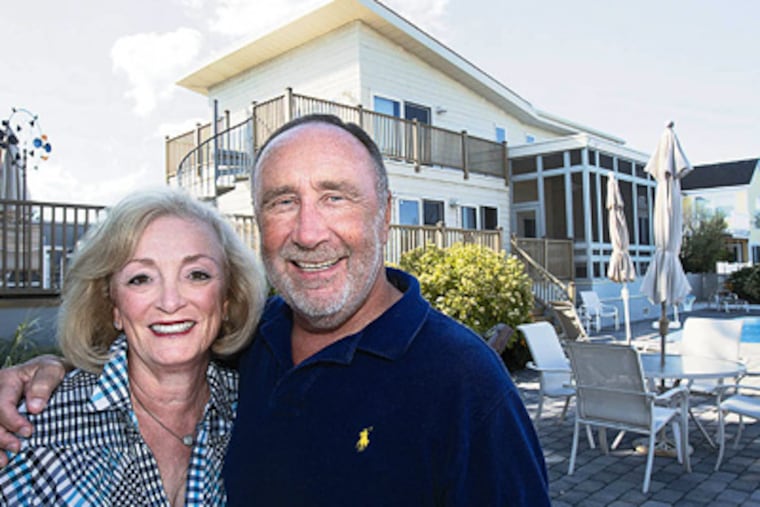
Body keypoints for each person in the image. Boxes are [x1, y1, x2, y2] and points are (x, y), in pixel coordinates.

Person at [0, 115, 550, 505]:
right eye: (284, 201)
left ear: (384, 217)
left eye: (336, 196)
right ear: (261, 222)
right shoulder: (248, 349)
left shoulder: (466, 385)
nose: (309, 233)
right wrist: (45, 373)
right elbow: (157, 358)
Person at [0, 188, 267, 505]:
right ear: (113, 307)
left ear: (226, 299)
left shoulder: (258, 411)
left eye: (197, 274)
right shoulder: (33, 430)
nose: (170, 302)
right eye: (141, 278)